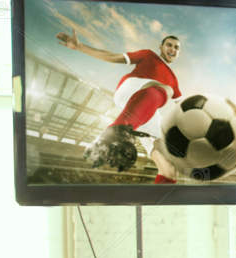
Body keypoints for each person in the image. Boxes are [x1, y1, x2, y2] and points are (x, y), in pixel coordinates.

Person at [55, 28, 182, 173]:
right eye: (169, 45)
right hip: (132, 89)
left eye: (176, 47)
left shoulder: (174, 79)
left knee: (169, 169)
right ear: (161, 47)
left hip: (146, 112)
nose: (172, 49)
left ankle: (110, 143)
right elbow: (113, 56)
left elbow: (185, 107)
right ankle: (114, 131)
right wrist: (80, 46)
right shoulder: (149, 55)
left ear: (179, 53)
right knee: (167, 90)